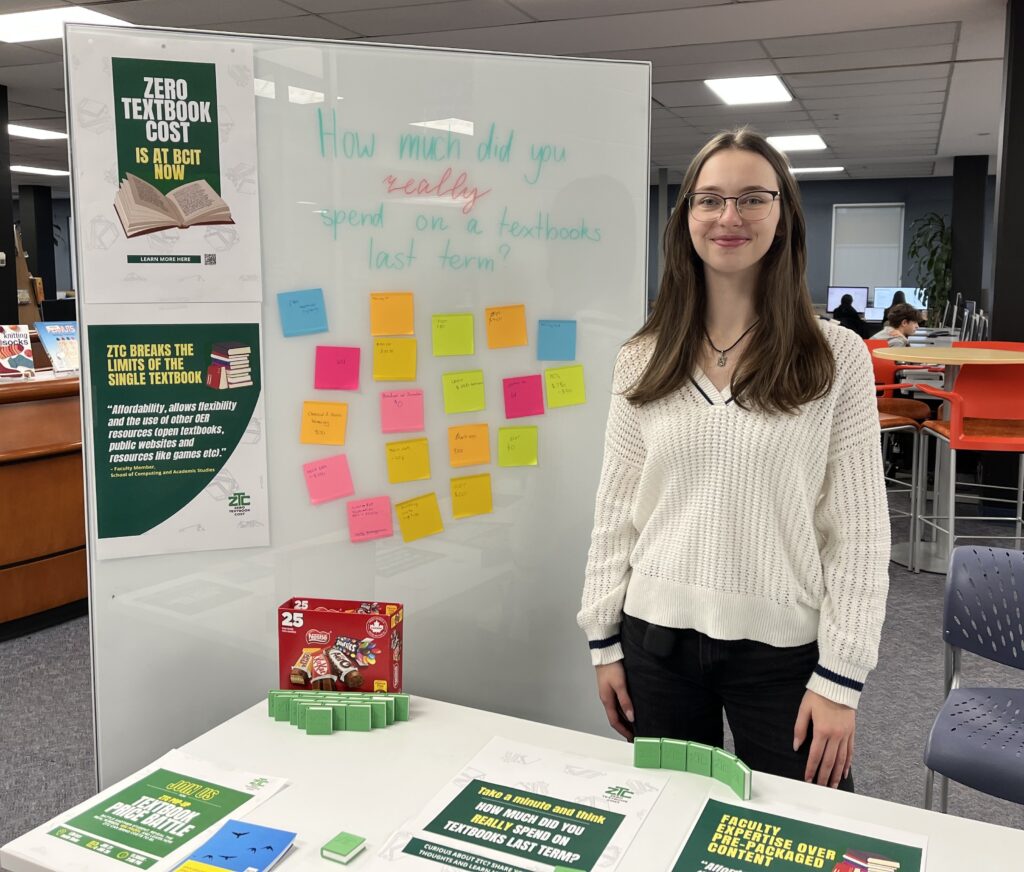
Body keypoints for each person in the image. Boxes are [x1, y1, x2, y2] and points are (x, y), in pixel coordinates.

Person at [578, 128, 889, 792]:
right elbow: (615, 510)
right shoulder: (643, 356)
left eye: (752, 198)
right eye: (709, 199)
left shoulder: (836, 359)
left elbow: (858, 533)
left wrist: (843, 677)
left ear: (783, 215)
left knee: (803, 837)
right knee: (664, 824)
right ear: (685, 215)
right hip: (653, 643)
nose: (729, 217)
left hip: (783, 656)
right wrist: (603, 640)